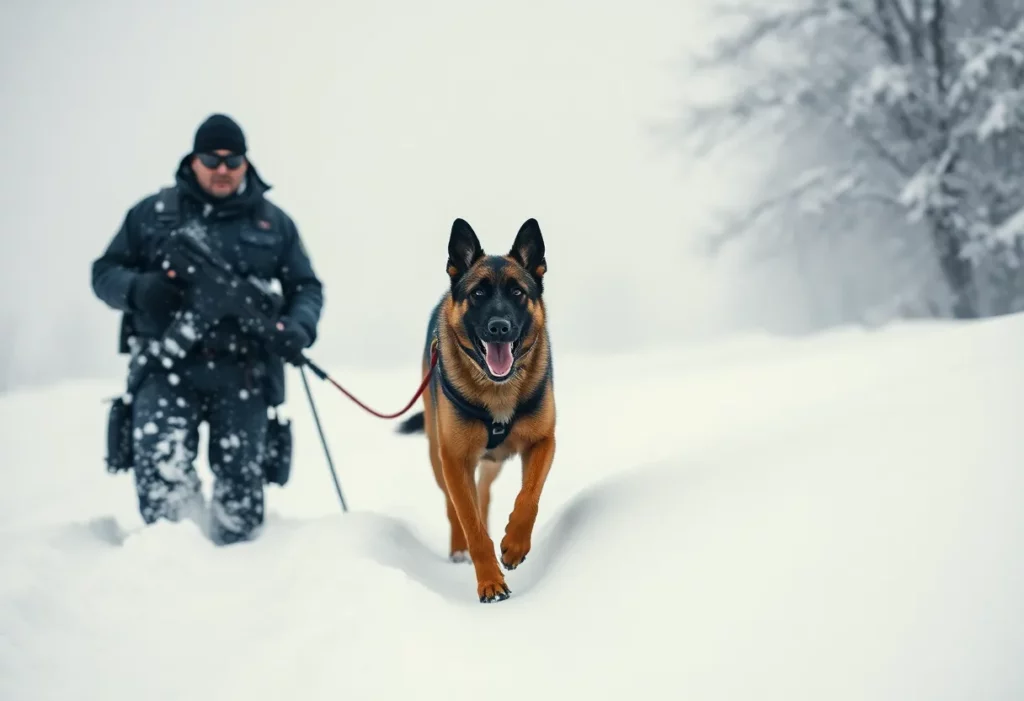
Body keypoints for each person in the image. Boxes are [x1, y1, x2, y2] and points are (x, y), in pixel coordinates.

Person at [91, 113, 324, 544]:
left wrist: (298, 327)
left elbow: (306, 287)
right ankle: (171, 576)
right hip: (164, 370)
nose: (222, 169)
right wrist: (141, 289)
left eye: (232, 160)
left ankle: (240, 583)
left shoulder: (274, 224)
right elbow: (103, 273)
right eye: (211, 159)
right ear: (193, 160)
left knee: (242, 504)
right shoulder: (151, 215)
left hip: (244, 373)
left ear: (245, 162)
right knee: (164, 494)